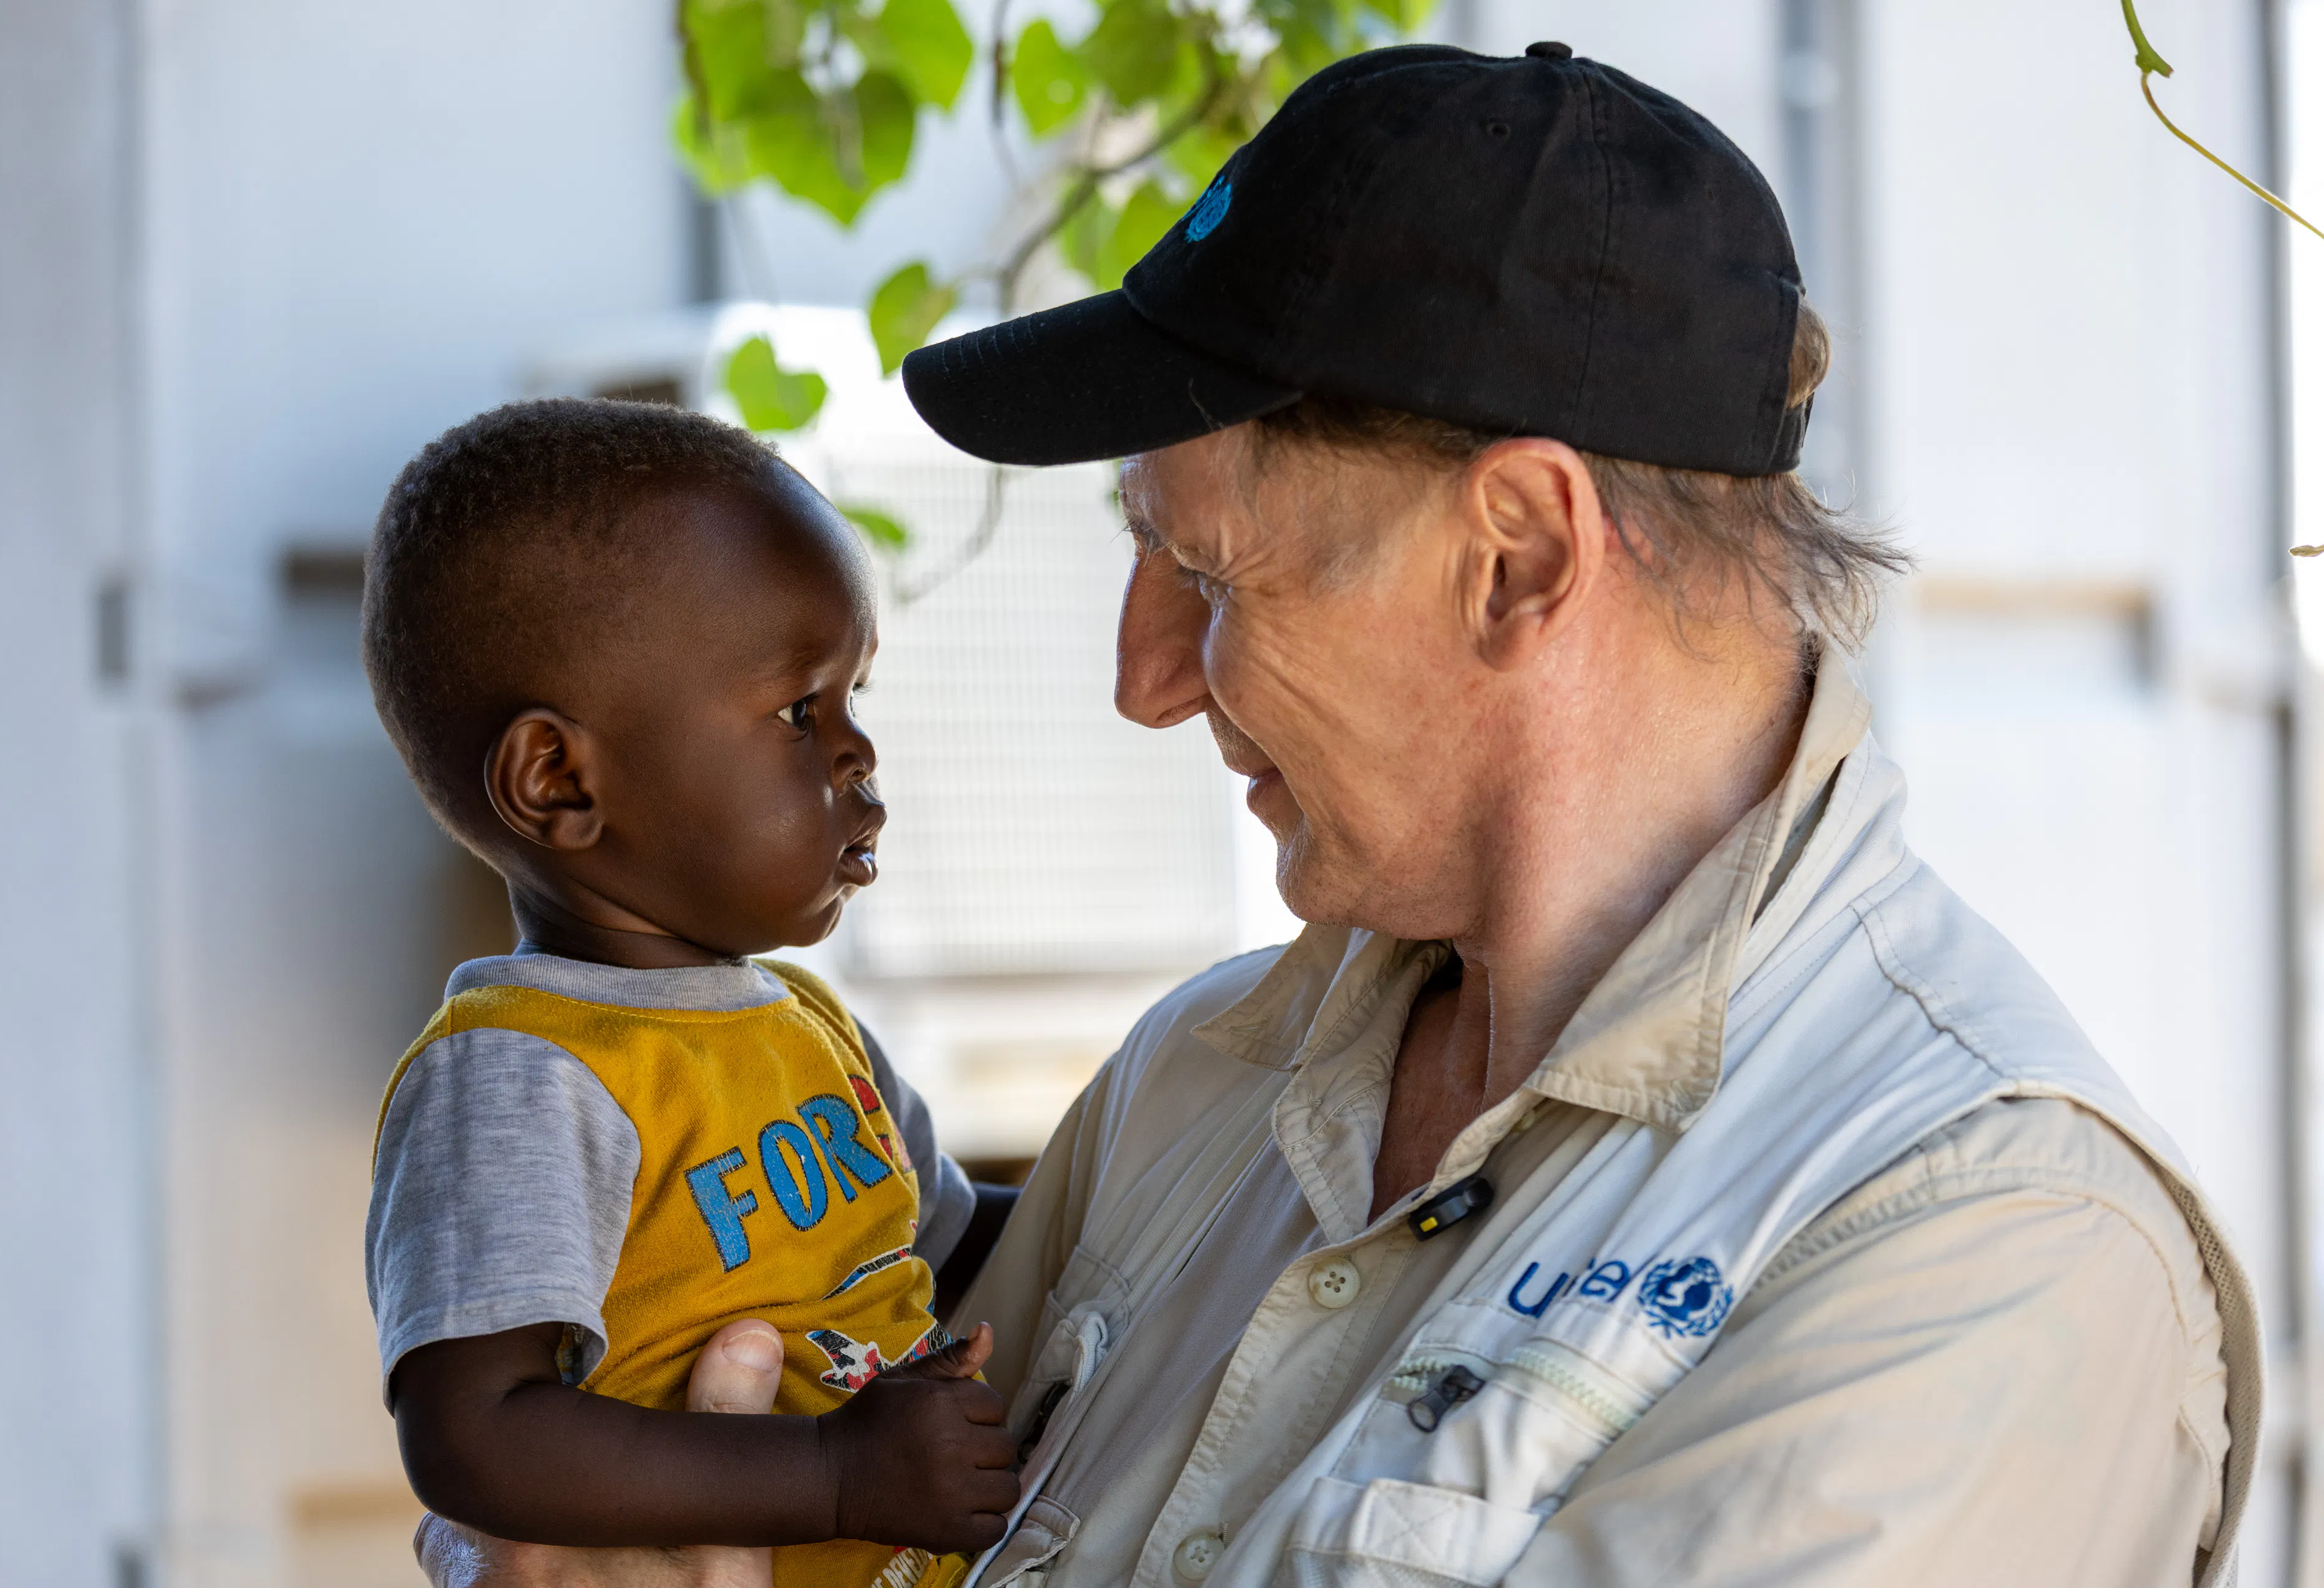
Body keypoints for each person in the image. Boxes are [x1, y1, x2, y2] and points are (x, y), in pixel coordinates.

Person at [895, 41, 2260, 1588]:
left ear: (1523, 556)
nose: (1146, 683)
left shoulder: (1988, 1243)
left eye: (1208, 576)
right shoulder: (1196, 1077)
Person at [360, 399, 1020, 1588]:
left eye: (852, 700)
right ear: (560, 780)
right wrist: (829, 1474)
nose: (857, 751)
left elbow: (969, 1248)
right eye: (797, 711)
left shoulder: (802, 1022)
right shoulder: (518, 1075)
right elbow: (475, 1434)